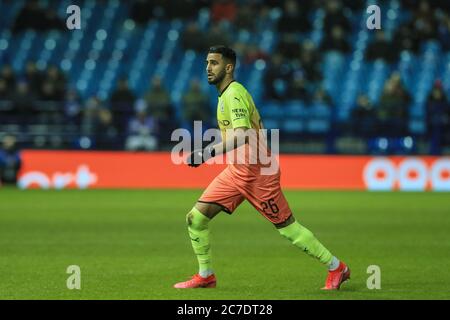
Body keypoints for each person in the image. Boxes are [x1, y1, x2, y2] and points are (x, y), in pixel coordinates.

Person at [173, 46, 350, 290]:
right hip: (237, 171)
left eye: (214, 63)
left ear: (228, 67)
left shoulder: (234, 94)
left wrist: (206, 153)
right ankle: (206, 275)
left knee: (288, 229)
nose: (208, 68)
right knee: (196, 218)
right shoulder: (225, 95)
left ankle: (336, 267)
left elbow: (242, 136)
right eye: (206, 63)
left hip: (258, 174)